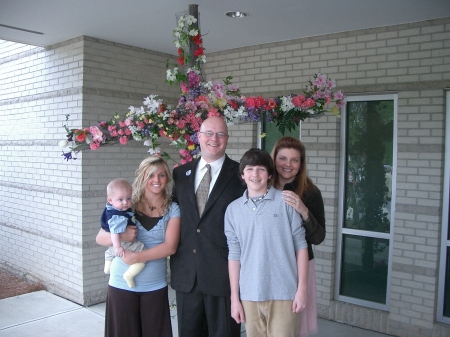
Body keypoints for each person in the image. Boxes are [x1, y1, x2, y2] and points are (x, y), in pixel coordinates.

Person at [170, 116, 246, 337]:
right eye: (209, 134)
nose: (215, 139)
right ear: (199, 137)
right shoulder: (180, 174)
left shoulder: (241, 175)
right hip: (187, 275)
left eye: (221, 134)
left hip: (223, 277)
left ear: (228, 139)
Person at [225, 148, 309, 337]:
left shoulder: (286, 201)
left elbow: (301, 246)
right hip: (249, 295)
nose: (255, 174)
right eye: (249, 169)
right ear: (242, 175)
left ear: (270, 174)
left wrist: (302, 290)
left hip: (284, 294)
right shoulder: (232, 210)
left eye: (261, 169)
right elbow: (234, 255)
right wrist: (234, 299)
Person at [96, 156, 181, 337]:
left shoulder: (173, 209)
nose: (156, 180)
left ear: (167, 179)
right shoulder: (127, 204)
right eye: (150, 175)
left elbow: (170, 247)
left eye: (161, 175)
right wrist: (123, 236)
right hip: (120, 286)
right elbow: (100, 237)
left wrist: (137, 257)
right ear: (142, 177)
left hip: (154, 286)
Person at [271, 137, 326, 337]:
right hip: (268, 264)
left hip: (298, 267)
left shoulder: (311, 192)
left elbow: (318, 237)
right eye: (283, 158)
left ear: (301, 164)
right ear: (274, 159)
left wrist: (303, 210)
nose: (288, 164)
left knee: (293, 328)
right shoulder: (262, 187)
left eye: (294, 160)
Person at [101, 178, 145, 288]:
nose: (125, 202)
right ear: (110, 200)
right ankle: (129, 275)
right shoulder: (118, 215)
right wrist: (118, 247)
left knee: (111, 251)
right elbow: (115, 233)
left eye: (128, 198)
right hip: (123, 243)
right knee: (143, 253)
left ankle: (107, 265)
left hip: (115, 245)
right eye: (120, 200)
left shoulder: (111, 209)